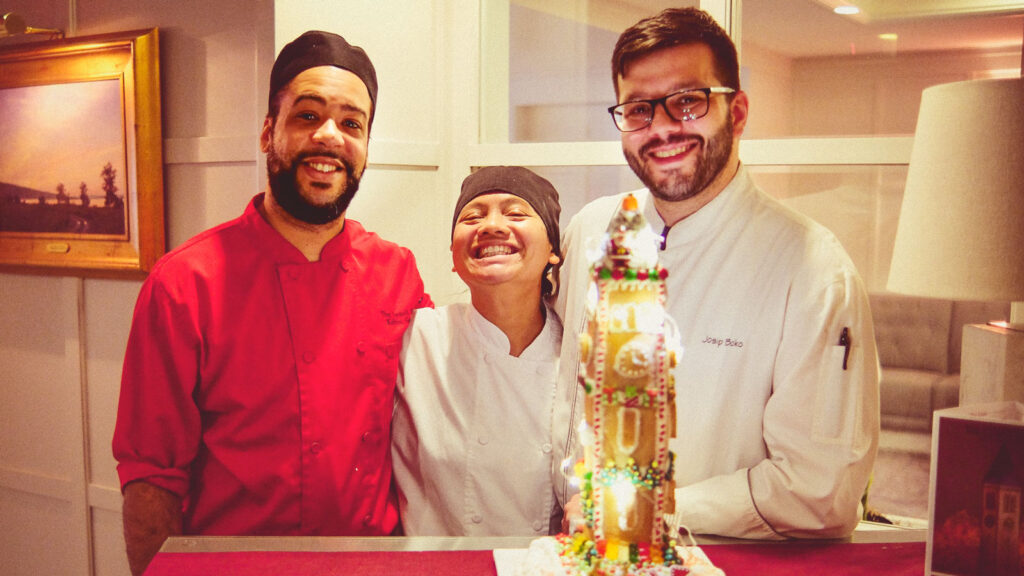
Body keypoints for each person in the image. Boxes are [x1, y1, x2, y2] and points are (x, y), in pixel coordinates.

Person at [112, 31, 432, 575]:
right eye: (307, 116)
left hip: (373, 564)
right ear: (268, 133)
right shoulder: (186, 281)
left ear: (365, 147)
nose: (330, 136)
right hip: (235, 566)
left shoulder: (397, 271)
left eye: (352, 123)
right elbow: (152, 473)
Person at [555, 8, 879, 540]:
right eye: (639, 109)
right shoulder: (593, 229)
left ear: (739, 111)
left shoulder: (814, 270)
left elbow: (822, 492)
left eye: (688, 102)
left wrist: (650, 510)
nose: (661, 128)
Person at [391, 166, 574, 536]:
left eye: (516, 213)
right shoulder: (416, 340)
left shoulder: (580, 354)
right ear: (454, 257)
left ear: (554, 251)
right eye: (472, 216)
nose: (491, 226)